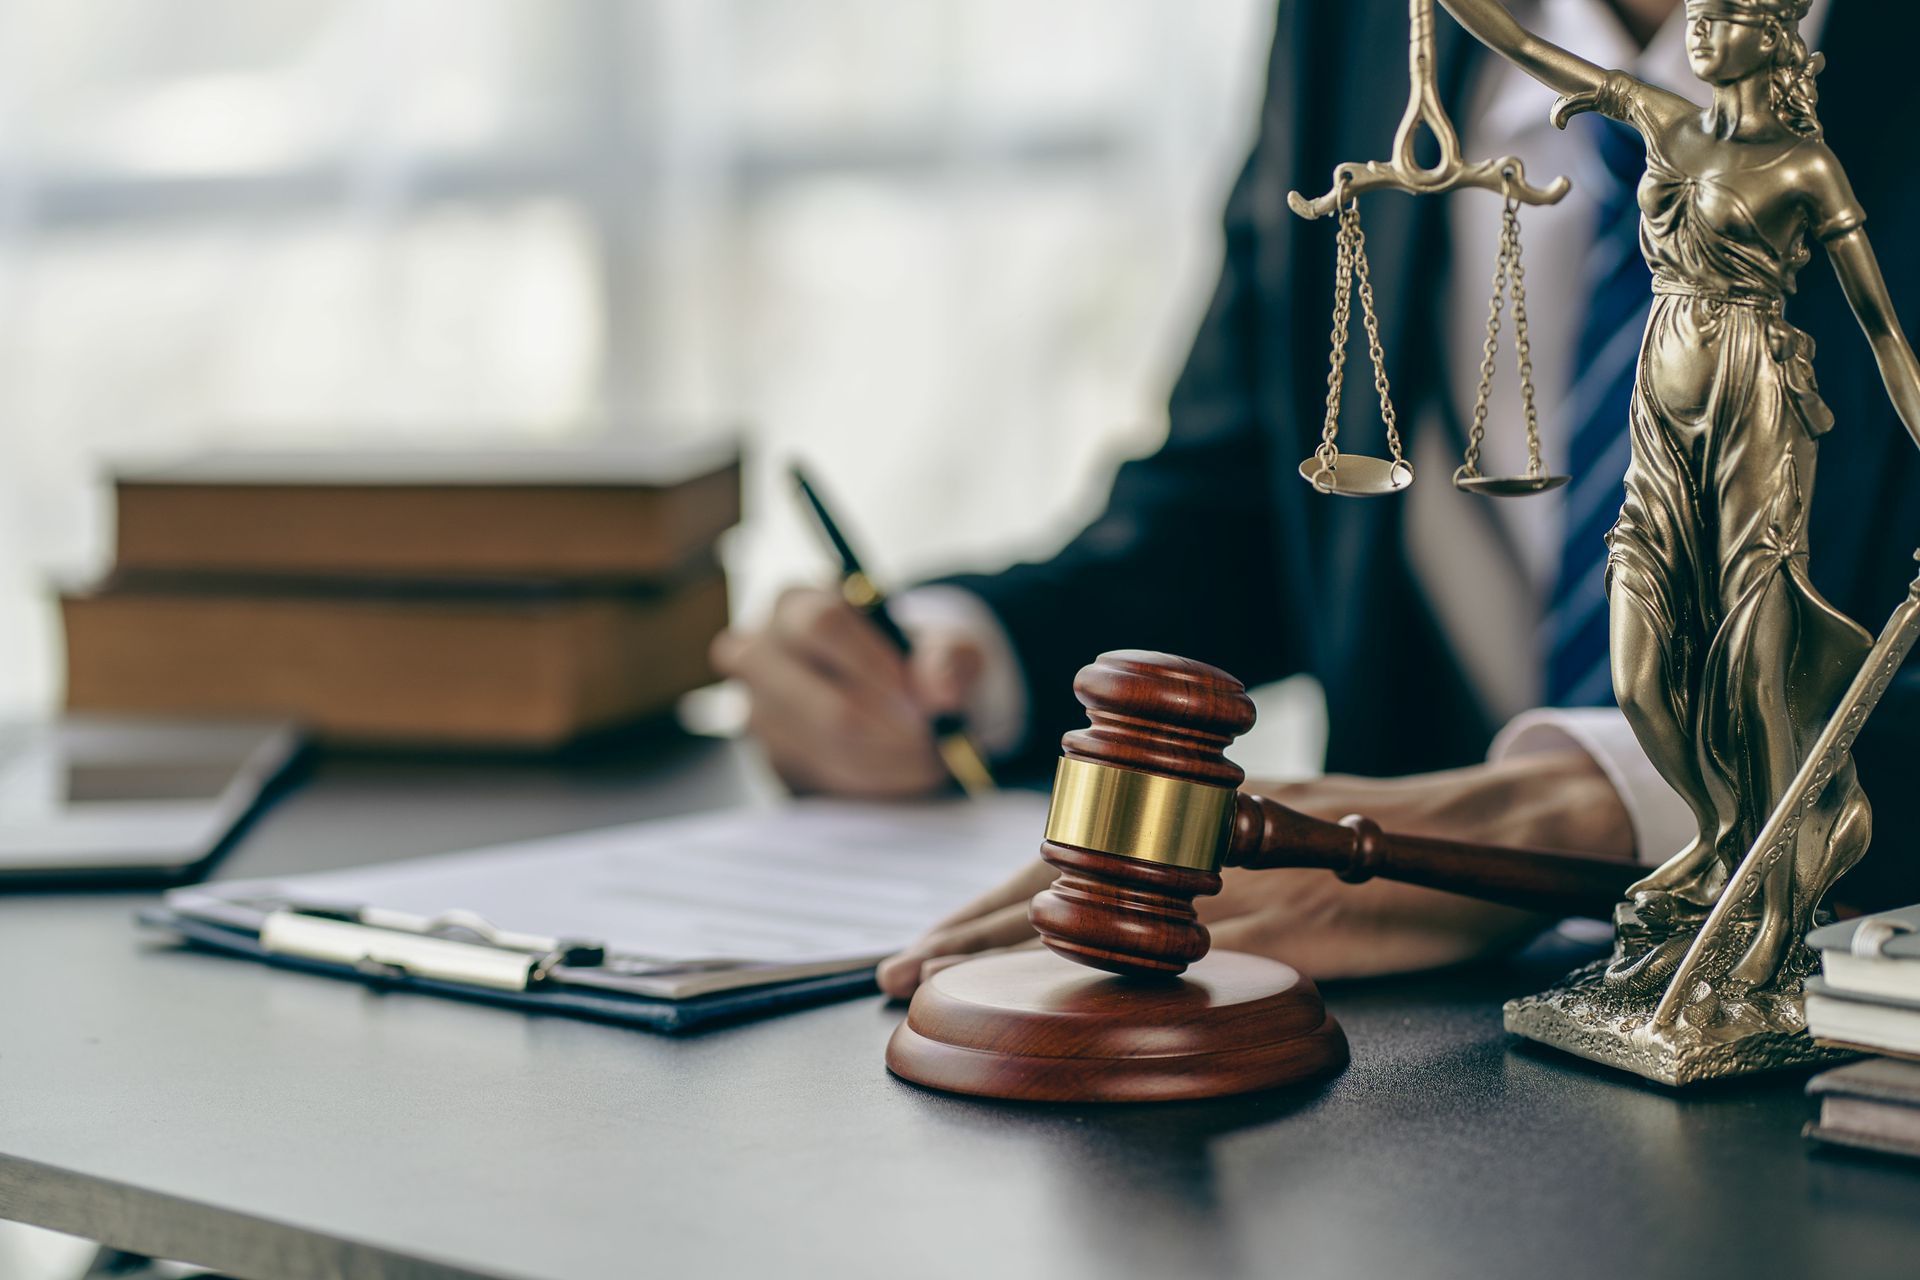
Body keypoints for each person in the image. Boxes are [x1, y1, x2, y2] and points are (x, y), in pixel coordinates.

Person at [713, 0, 1920, 998]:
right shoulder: (1365, 27)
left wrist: (1577, 811)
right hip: (1429, 1069)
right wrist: (955, 658)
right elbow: (1247, 506)